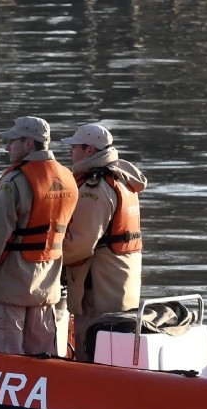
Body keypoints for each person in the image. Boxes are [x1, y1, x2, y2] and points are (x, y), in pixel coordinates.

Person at [0, 116, 78, 356]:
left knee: (4, 367)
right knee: (42, 367)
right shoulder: (67, 178)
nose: (8, 147)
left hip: (8, 294)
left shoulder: (14, 181)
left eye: (13, 141)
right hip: (46, 293)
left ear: (29, 143)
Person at [61, 123, 148, 359]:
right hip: (119, 286)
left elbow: (79, 245)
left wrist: (45, 256)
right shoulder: (122, 180)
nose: (71, 152)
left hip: (98, 290)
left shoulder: (95, 188)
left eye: (75, 147)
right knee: (113, 348)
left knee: (90, 348)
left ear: (90, 151)